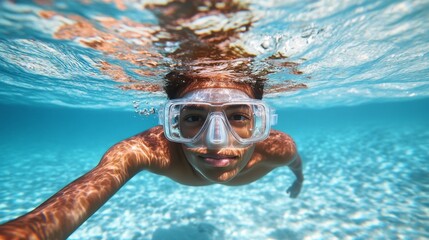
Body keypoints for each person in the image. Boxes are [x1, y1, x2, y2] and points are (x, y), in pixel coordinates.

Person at [0, 73, 304, 239]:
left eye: (238, 117)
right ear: (171, 122)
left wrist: (298, 181)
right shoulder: (148, 148)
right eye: (194, 118)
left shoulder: (278, 148)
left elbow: (296, 166)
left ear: (259, 123)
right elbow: (97, 180)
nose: (215, 142)